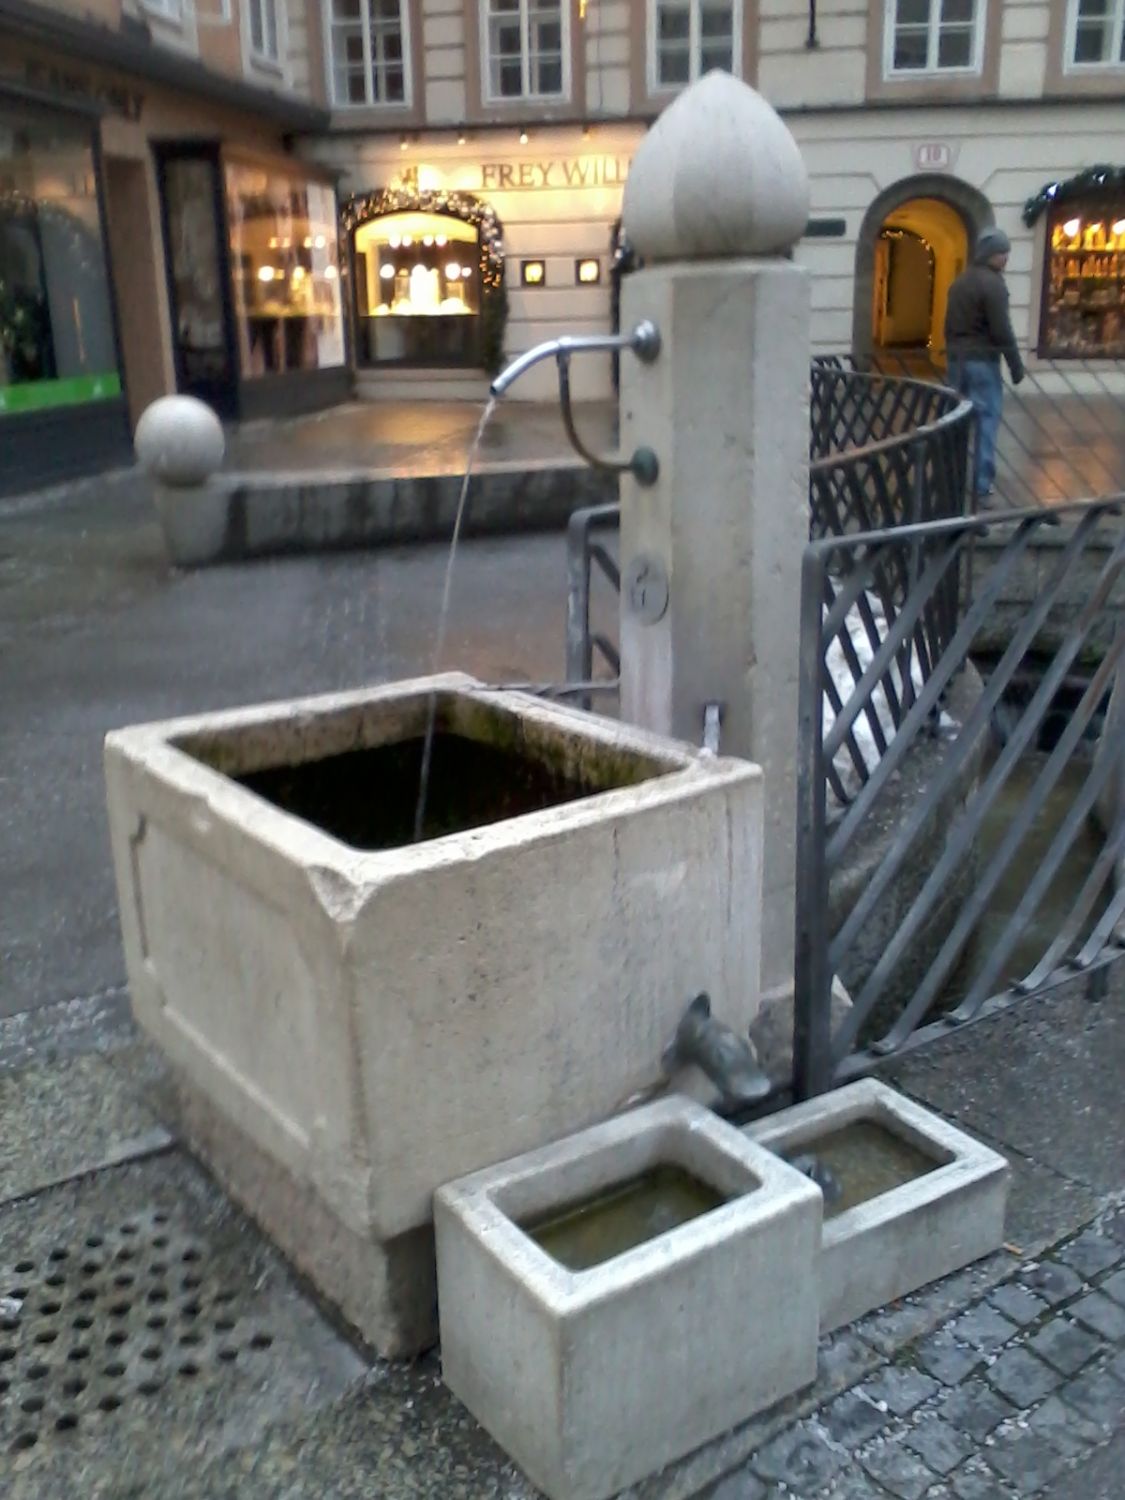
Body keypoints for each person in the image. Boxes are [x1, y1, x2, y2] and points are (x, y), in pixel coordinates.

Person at [944, 226, 1025, 505]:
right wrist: (1015, 364)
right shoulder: (993, 285)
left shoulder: (960, 282)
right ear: (992, 255)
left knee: (956, 419)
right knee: (985, 421)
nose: (1006, 258)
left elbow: (948, 325)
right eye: (1003, 253)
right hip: (982, 361)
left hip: (957, 359)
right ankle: (981, 484)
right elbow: (1002, 329)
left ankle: (950, 477)